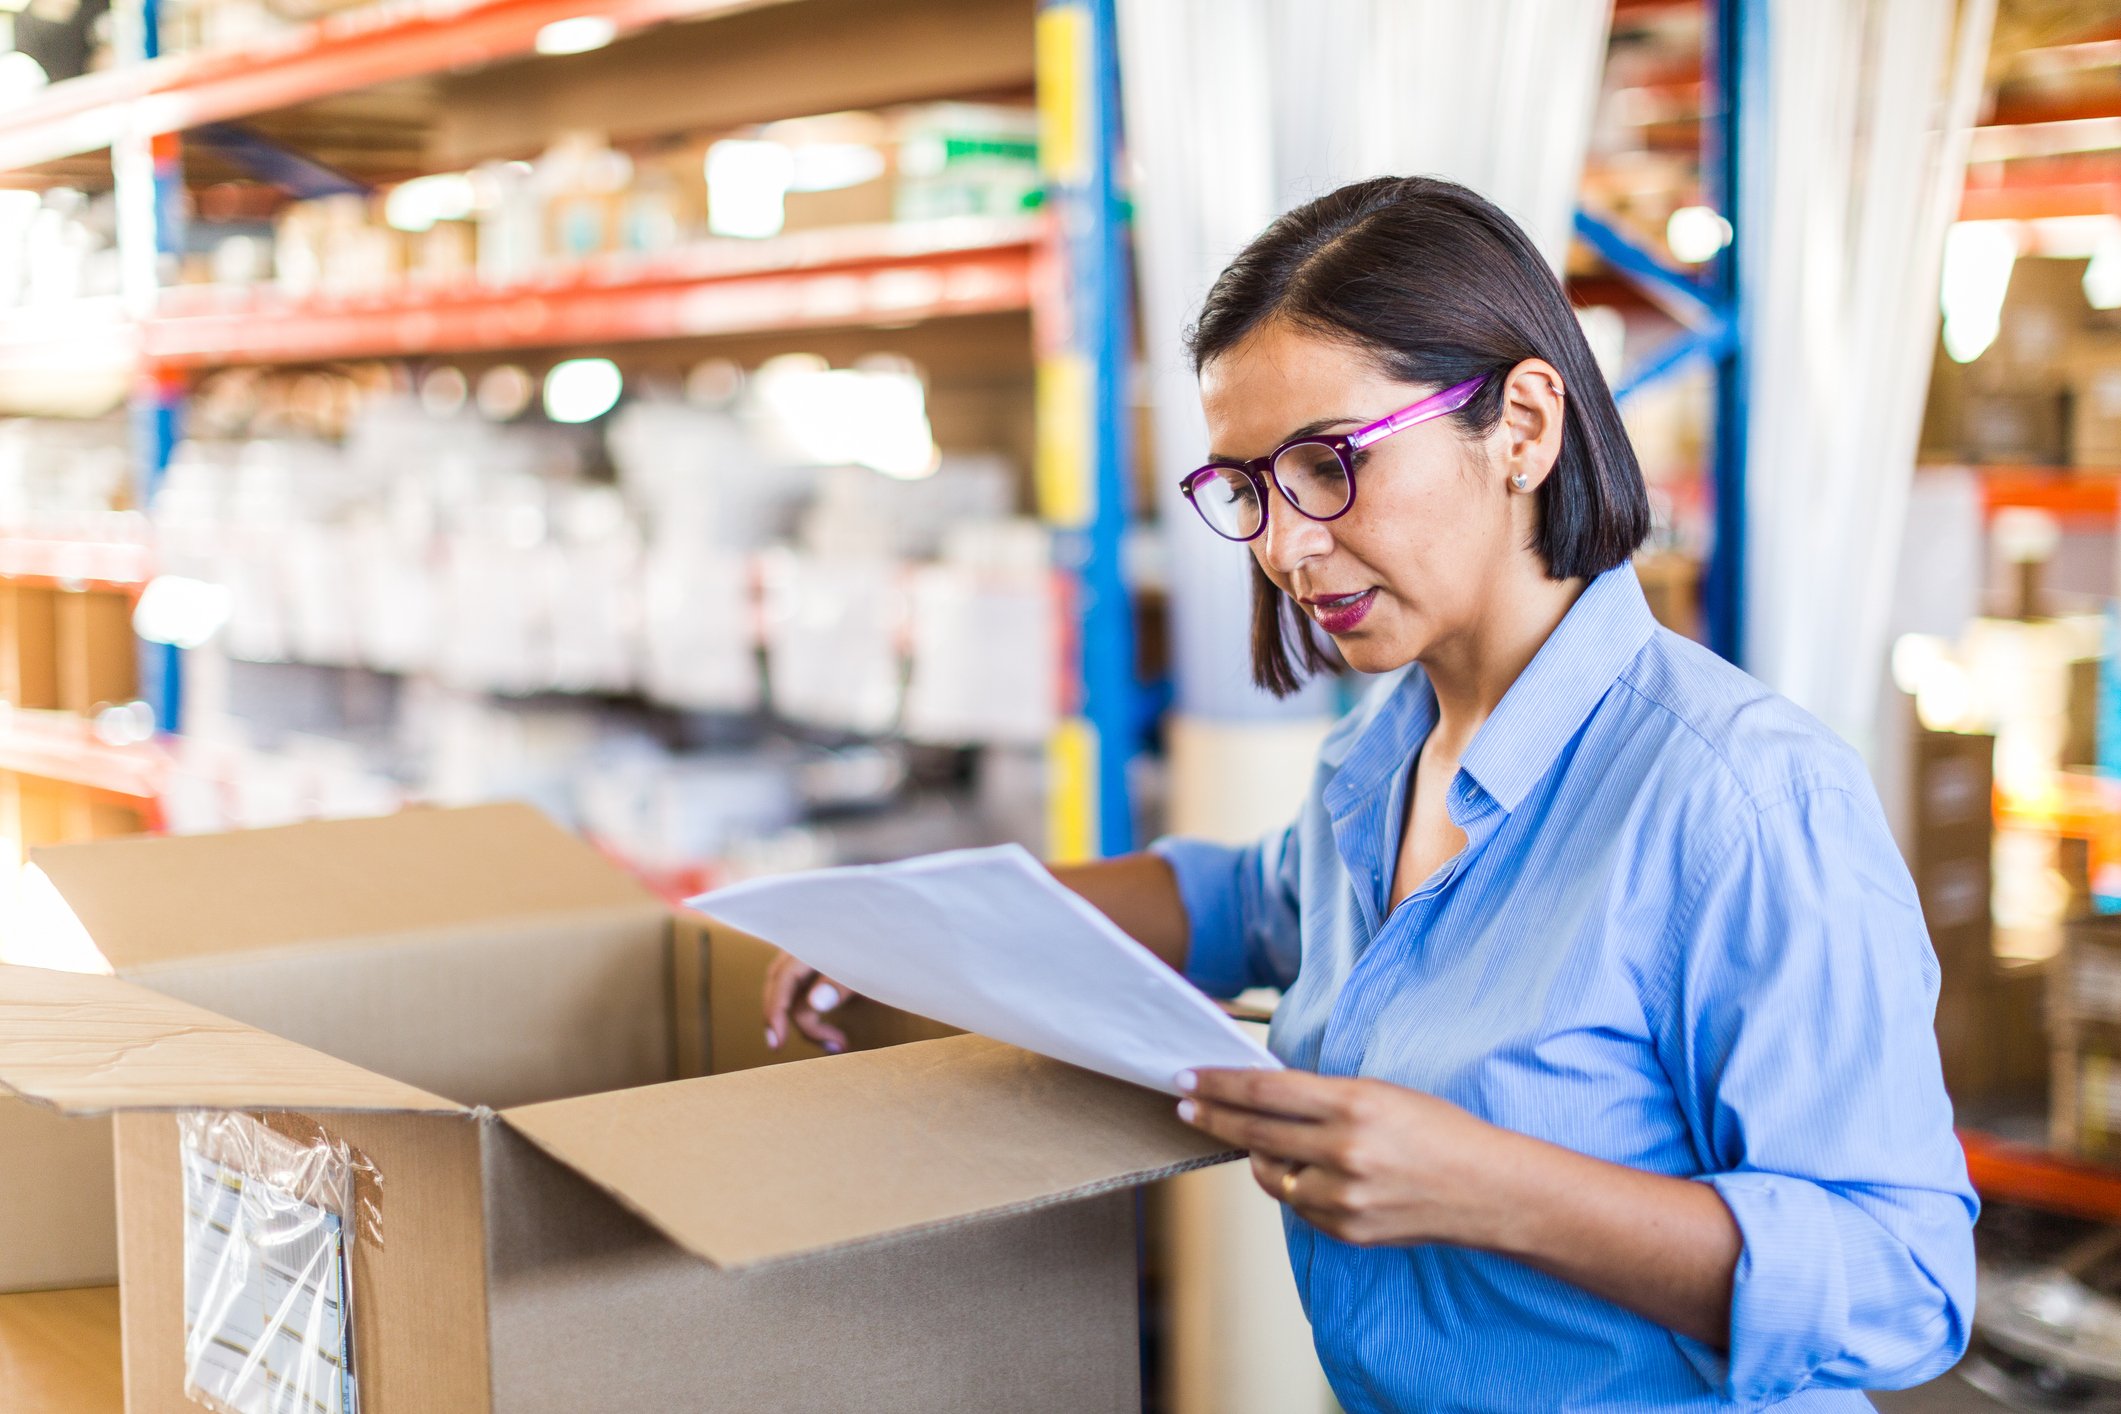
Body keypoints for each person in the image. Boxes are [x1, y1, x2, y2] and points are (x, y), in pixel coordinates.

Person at [764, 175, 1975, 1412]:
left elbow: (1908, 1283)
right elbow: (1249, 901)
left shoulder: (1744, 802)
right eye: (1246, 487)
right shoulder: (1384, 751)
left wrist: (1494, 1185)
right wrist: (917, 930)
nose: (1284, 545)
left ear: (1522, 426)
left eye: (1328, 464)